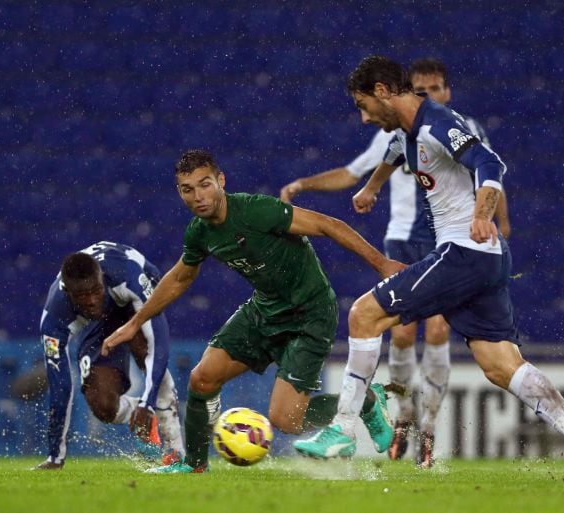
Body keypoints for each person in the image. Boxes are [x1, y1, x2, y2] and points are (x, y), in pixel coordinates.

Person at [294, 56, 564, 482]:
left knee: (364, 314)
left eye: (363, 104)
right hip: (482, 258)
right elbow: (393, 155)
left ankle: (343, 429)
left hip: (466, 250)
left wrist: (483, 213)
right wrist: (371, 189)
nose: (363, 116)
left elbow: (489, 162)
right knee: (499, 363)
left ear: (383, 91)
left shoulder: (437, 124)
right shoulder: (409, 135)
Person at [102, 150, 405, 473]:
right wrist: (136, 322)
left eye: (204, 185)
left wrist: (382, 264)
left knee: (286, 420)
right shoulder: (199, 232)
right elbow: (180, 277)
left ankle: (368, 402)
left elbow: (327, 225)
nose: (198, 196)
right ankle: (193, 465)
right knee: (202, 379)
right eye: (187, 189)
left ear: (221, 181)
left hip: (310, 314)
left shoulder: (258, 211)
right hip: (265, 310)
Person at [281, 57, 512, 466]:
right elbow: (369, 166)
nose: (429, 95)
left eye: (436, 88)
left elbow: (487, 172)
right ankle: (403, 416)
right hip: (404, 237)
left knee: (436, 330)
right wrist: (365, 189)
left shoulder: (455, 126)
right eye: (422, 89)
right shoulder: (401, 129)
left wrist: (495, 220)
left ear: (446, 90)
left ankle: (429, 426)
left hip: (449, 239)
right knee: (402, 335)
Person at [35, 241, 185, 470]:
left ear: (102, 278)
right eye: (83, 295)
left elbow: (159, 342)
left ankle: (175, 451)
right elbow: (60, 386)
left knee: (144, 348)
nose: (92, 299)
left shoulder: (128, 274)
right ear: (68, 292)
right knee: (102, 405)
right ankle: (139, 413)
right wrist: (55, 455)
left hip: (134, 294)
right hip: (98, 319)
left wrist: (149, 401)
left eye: (95, 290)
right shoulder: (54, 319)